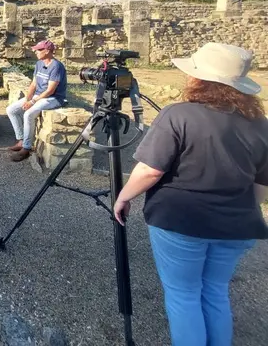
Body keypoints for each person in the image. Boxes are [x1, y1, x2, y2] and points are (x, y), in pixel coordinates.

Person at [113, 42, 268, 346]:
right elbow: (261, 186)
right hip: (237, 224)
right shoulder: (261, 124)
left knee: (184, 295)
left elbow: (150, 171)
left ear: (199, 79)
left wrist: (123, 196)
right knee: (215, 291)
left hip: (182, 221)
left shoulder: (179, 114)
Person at [6, 40, 68, 162]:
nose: (35, 52)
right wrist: (27, 99)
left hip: (54, 98)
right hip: (39, 96)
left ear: (48, 51)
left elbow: (50, 90)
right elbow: (34, 84)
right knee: (11, 110)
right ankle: (21, 140)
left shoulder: (57, 66)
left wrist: (32, 102)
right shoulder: (39, 63)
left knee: (28, 114)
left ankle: (26, 148)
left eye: (39, 50)